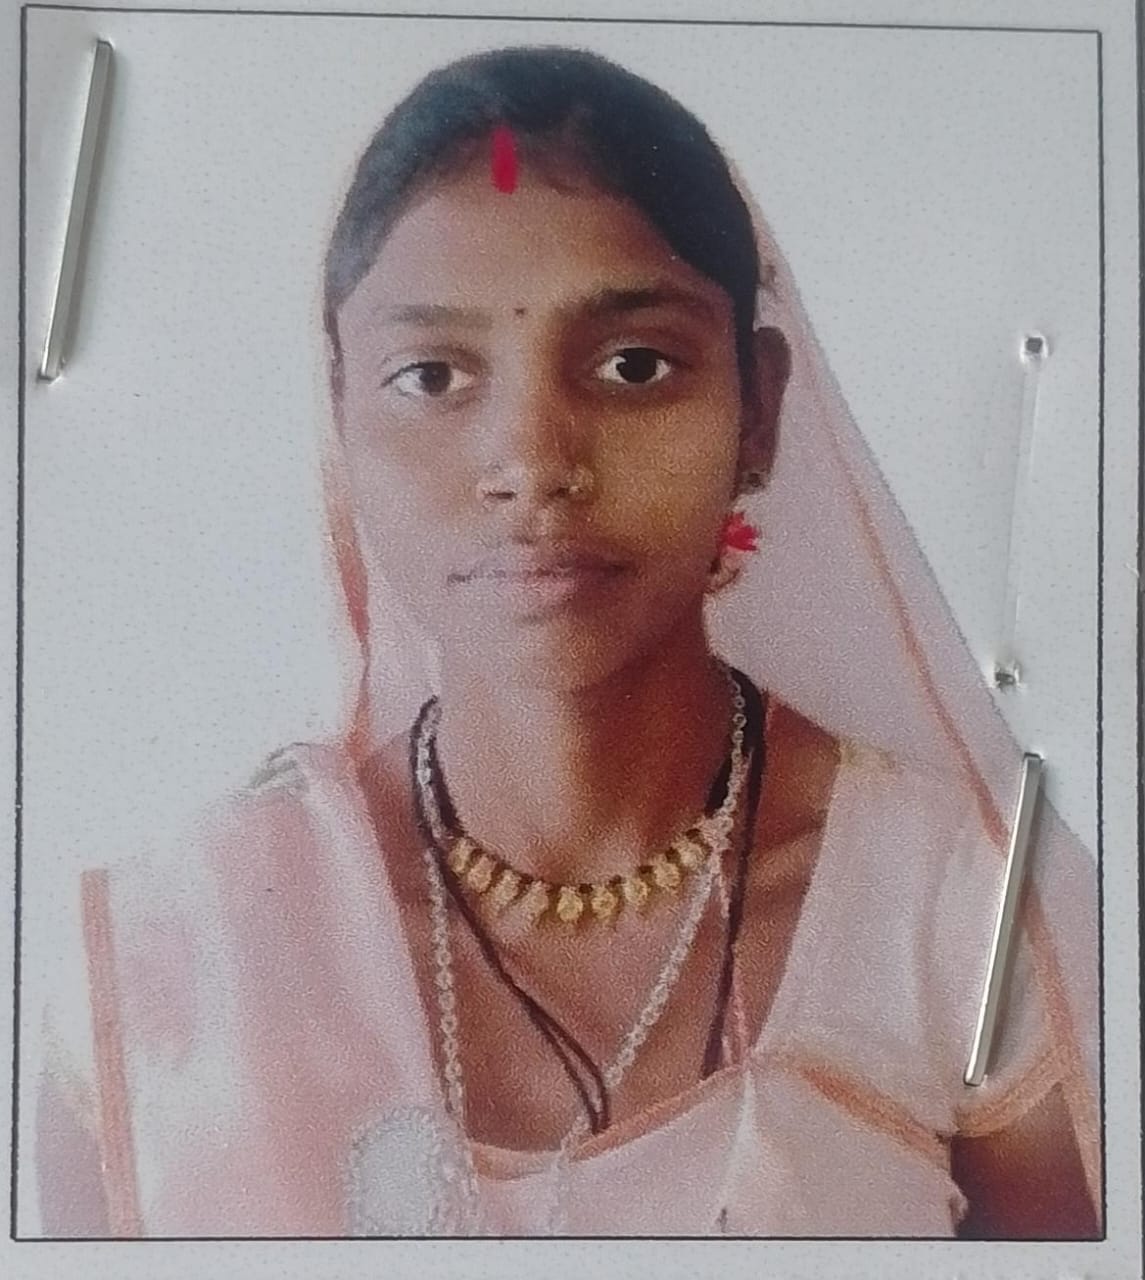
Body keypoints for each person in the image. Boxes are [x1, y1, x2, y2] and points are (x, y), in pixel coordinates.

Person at [34, 44, 1101, 1238]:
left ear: (758, 405)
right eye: (432, 374)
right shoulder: (171, 963)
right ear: (339, 417)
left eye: (633, 364)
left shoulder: (963, 916)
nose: (534, 461)